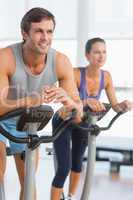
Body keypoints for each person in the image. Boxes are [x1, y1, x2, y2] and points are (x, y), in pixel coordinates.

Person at [0, 7, 83, 200]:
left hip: (26, 122)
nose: (45, 37)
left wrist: (68, 100)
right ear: (24, 33)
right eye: (38, 31)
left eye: (49, 31)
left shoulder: (61, 62)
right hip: (1, 116)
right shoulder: (5, 57)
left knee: (28, 180)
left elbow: (78, 115)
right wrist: (32, 99)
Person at [51, 37, 133, 200]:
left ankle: (70, 196)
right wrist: (86, 101)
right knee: (64, 168)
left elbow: (115, 105)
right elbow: (70, 103)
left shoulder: (106, 77)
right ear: (87, 55)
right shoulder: (74, 73)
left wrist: (123, 106)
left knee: (77, 164)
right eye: (96, 52)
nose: (101, 56)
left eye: (104, 52)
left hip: (83, 123)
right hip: (64, 121)